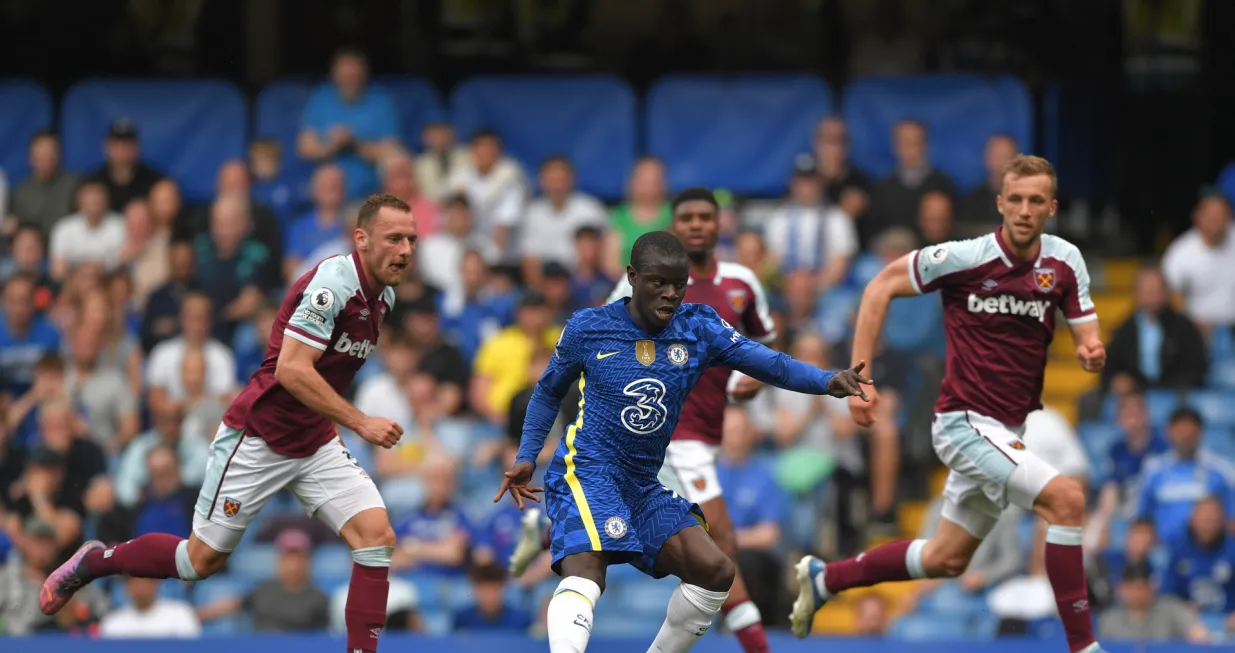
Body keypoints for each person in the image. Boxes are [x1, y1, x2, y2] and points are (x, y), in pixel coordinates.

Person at [40, 194, 416, 653]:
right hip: (259, 437)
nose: (405, 250)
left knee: (377, 538)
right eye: (394, 239)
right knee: (197, 562)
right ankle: (95, 561)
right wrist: (360, 422)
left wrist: (335, 423)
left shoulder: (384, 296)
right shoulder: (333, 286)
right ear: (361, 239)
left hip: (314, 442)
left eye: (411, 240)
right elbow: (291, 370)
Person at [789, 155, 1110, 653]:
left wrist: (1090, 349)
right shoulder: (965, 257)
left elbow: (1086, 329)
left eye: (1036, 201)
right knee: (1067, 499)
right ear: (1000, 203)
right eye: (1016, 199)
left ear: (1052, 207)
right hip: (963, 423)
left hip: (1008, 430)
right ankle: (1084, 646)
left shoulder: (1065, 261)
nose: (1025, 210)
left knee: (946, 559)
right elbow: (880, 286)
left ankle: (828, 578)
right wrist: (858, 380)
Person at [494, 231, 871, 653]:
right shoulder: (589, 327)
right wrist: (527, 456)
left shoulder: (699, 327)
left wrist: (826, 380)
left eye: (679, 284)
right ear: (632, 276)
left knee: (715, 571)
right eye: (659, 282)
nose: (671, 294)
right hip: (588, 470)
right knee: (587, 567)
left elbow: (771, 363)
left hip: (642, 484)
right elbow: (547, 392)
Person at [509, 188, 778, 651]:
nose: (697, 226)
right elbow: (600, 346)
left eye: (705, 217)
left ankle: (548, 527)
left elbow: (766, 347)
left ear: (719, 226)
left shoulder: (741, 284)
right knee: (718, 545)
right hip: (667, 440)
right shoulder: (634, 290)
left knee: (712, 561)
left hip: (685, 441)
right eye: (687, 218)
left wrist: (757, 379)